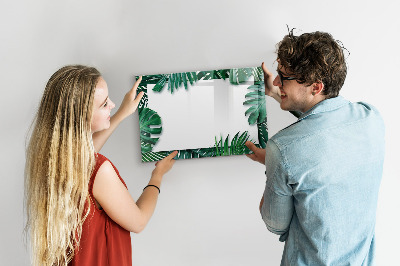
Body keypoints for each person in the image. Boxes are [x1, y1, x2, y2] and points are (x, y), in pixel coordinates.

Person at [245, 30, 385, 265]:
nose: (277, 81)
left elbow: (274, 224)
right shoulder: (371, 118)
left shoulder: (282, 148)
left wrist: (272, 162)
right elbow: (324, 125)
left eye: (284, 77)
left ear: (316, 87)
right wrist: (278, 94)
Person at [24, 65, 178, 266]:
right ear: (82, 117)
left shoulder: (53, 159)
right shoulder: (100, 170)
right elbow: (138, 221)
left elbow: (86, 157)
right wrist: (157, 175)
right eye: (105, 104)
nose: (112, 104)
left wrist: (122, 113)